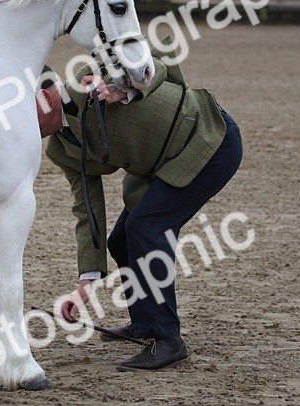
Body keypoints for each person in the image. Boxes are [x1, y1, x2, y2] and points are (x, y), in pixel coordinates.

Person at [40, 45, 243, 370]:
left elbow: (158, 59)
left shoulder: (89, 75)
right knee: (121, 239)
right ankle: (145, 325)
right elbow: (86, 208)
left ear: (48, 96)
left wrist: (123, 89)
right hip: (166, 165)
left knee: (146, 227)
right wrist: (85, 285)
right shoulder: (59, 150)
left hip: (209, 139)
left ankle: (167, 339)